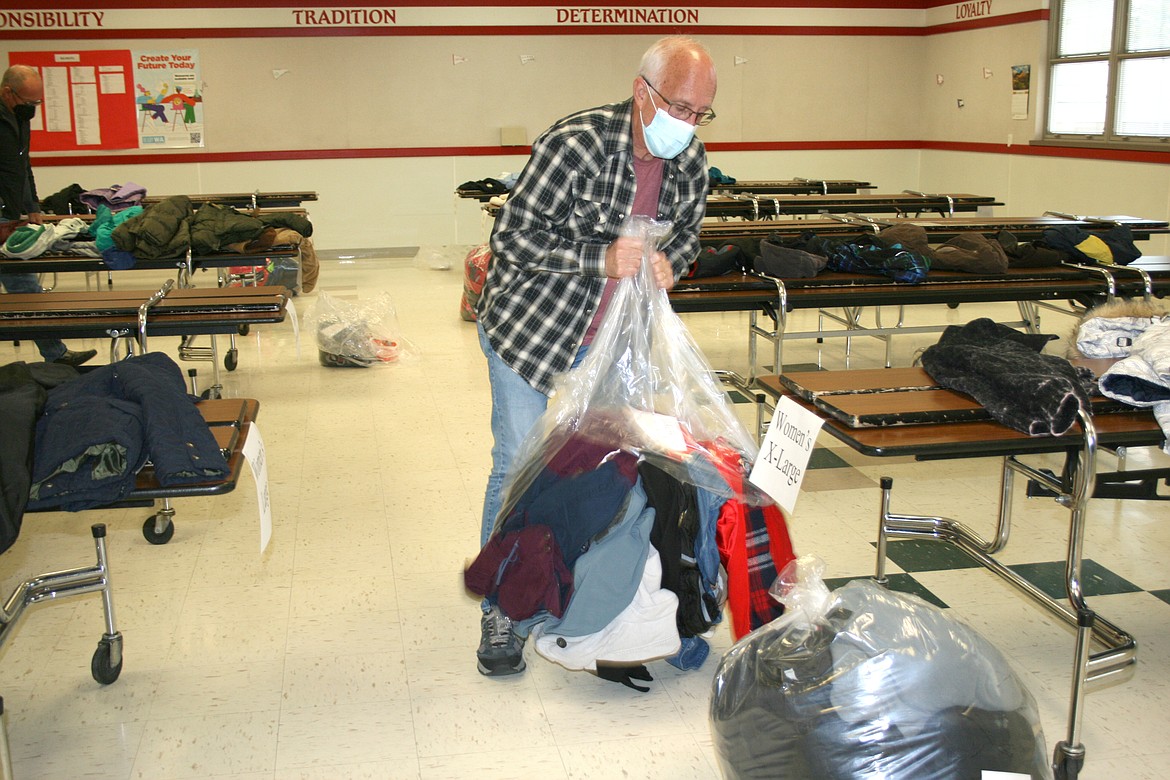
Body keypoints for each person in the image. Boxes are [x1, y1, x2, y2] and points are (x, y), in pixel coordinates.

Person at [473, 35, 717, 676]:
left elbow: (688, 236)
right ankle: (503, 609)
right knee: (519, 467)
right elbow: (512, 236)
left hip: (615, 344)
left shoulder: (689, 163)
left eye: (700, 115)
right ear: (644, 93)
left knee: (607, 470)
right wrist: (600, 258)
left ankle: (591, 596)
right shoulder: (575, 143)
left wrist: (672, 263)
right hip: (532, 331)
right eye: (681, 109)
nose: (687, 127)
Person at [0, 65, 96, 368]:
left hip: (11, 212)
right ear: (6, 92)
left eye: (37, 103)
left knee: (24, 285)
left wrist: (33, 207)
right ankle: (56, 354)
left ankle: (56, 355)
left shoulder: (19, 117)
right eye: (28, 102)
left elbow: (21, 164)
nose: (33, 109)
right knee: (22, 284)